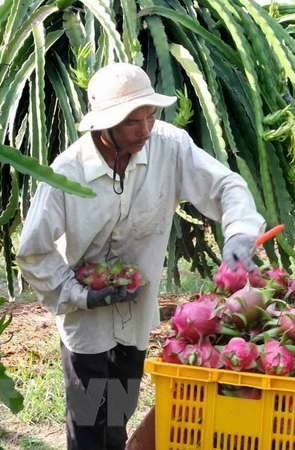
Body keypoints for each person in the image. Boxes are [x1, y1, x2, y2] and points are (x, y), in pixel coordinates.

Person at [16, 62, 265, 450]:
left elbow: (225, 185)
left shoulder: (170, 146)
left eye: (150, 116)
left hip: (136, 305)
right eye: (133, 121)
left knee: (120, 409)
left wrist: (239, 232)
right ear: (104, 125)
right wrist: (77, 294)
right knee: (87, 418)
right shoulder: (68, 171)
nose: (146, 129)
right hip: (84, 312)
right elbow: (33, 249)